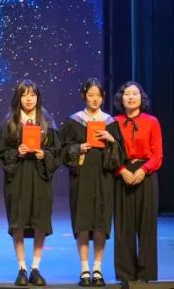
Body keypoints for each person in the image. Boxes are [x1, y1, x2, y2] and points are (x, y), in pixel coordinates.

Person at [59, 78, 124, 287]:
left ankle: (97, 268)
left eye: (98, 95)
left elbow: (121, 154)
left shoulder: (110, 123)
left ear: (103, 97)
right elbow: (61, 150)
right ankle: (84, 269)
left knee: (100, 223)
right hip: (82, 177)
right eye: (90, 95)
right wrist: (78, 148)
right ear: (84, 96)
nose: (94, 99)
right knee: (83, 223)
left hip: (104, 177)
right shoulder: (74, 121)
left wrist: (111, 140)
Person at [0, 80, 60, 287]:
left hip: (40, 177)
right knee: (19, 221)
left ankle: (35, 267)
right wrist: (17, 152)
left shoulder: (47, 121)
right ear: (18, 98)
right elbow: (1, 152)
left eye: (32, 94)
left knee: (40, 221)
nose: (28, 99)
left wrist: (44, 154)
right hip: (18, 177)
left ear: (37, 97)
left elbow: (57, 151)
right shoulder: (10, 122)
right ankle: (22, 267)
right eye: (24, 95)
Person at [112, 81, 162, 284]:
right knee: (123, 228)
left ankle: (146, 276)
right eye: (127, 94)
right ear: (121, 99)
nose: (131, 97)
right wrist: (121, 170)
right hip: (122, 172)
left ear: (141, 98)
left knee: (147, 227)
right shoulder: (113, 122)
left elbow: (157, 154)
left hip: (146, 174)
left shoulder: (152, 121)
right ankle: (126, 276)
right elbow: (109, 153)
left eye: (135, 93)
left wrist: (144, 169)